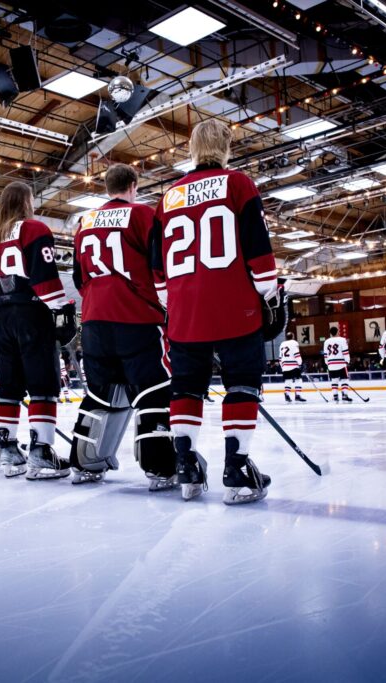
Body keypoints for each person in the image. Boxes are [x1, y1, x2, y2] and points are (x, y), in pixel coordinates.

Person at [152, 119, 279, 504]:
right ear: (225, 148)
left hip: (185, 313)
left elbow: (157, 269)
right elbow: (260, 252)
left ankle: (186, 465)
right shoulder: (238, 184)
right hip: (234, 306)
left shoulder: (168, 196)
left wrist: (174, 301)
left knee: (186, 387)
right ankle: (237, 468)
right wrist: (268, 292)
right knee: (242, 383)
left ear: (192, 148)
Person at [70, 163, 177, 489]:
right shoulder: (143, 215)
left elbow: (78, 277)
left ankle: (83, 461)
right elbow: (160, 265)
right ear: (133, 185)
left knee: (100, 393)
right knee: (154, 391)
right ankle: (159, 466)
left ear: (106, 187)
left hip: (94, 321)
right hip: (137, 318)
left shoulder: (84, 222)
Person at [0, 181, 71, 479]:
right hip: (32, 312)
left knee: (9, 387)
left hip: (3, 316)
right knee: (43, 386)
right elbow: (45, 280)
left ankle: (8, 451)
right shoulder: (34, 229)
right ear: (26, 201)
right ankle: (41, 452)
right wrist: (61, 308)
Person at [323, 326, 352, 403]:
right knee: (344, 379)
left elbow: (325, 354)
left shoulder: (326, 341)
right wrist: (347, 361)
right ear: (337, 332)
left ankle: (335, 396)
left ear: (330, 333)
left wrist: (327, 363)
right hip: (341, 363)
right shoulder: (342, 340)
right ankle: (345, 395)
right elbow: (345, 351)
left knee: (334, 380)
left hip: (331, 364)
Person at [278, 331, 305, 403]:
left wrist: (282, 366)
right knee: (298, 380)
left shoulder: (282, 344)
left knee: (288, 380)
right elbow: (296, 354)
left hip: (285, 366)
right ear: (293, 336)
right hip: (293, 365)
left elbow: (280, 357)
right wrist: (300, 363)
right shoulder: (294, 343)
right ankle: (298, 395)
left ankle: (287, 394)